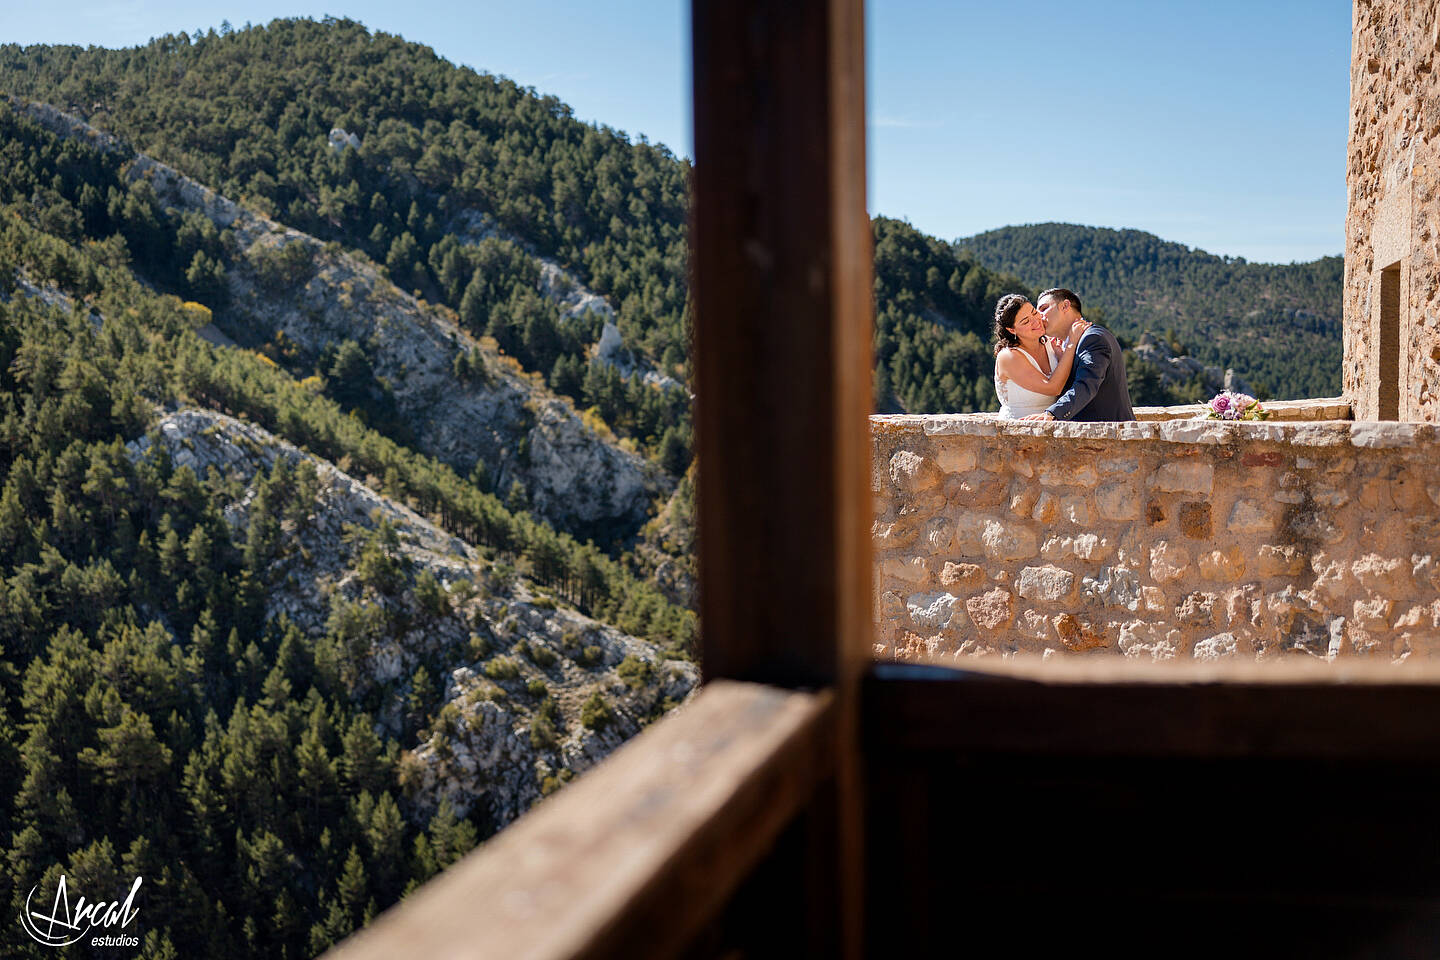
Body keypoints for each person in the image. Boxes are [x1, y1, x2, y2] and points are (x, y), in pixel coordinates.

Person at [1021, 287, 1135, 422]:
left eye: (1044, 308)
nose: (1039, 316)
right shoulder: (1064, 345)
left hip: (1108, 431)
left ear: (1065, 306)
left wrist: (1052, 414)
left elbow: (1086, 385)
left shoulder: (1093, 338)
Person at [992, 293, 1091, 419]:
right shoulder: (1008, 357)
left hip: (1052, 423)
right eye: (1026, 321)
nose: (1036, 321)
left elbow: (1070, 378)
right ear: (1012, 330)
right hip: (1018, 426)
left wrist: (1061, 354)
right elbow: (1053, 388)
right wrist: (1071, 343)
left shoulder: (1050, 344)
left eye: (1034, 312)